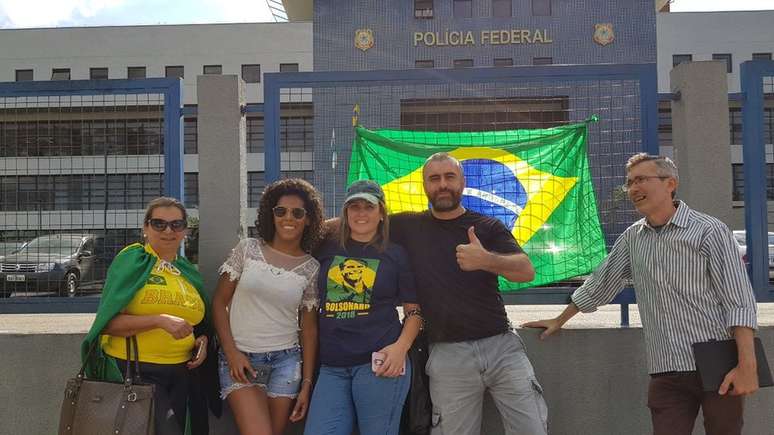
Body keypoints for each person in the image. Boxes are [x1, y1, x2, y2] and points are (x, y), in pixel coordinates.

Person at [523, 153, 759, 435]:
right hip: (666, 367)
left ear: (670, 183)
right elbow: (601, 282)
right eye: (630, 182)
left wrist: (747, 365)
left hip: (718, 363)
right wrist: (559, 319)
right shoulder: (633, 237)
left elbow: (739, 300)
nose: (633, 189)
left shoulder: (709, 231)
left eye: (642, 180)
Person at [388, 153, 547, 435]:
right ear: (424, 185)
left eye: (450, 177)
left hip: (501, 348)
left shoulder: (487, 226)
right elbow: (358, 221)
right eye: (434, 178)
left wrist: (487, 260)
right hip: (447, 354)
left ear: (462, 181)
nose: (442, 185)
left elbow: (526, 271)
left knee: (532, 429)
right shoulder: (407, 226)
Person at [81, 196, 218, 435]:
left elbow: (200, 324)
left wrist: (203, 341)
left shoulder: (187, 272)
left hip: (182, 374)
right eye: (159, 224)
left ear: (185, 231)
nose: (168, 230)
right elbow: (107, 323)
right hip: (136, 371)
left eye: (176, 225)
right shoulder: (132, 261)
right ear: (145, 228)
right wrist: (159, 320)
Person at [304, 179, 423, 435]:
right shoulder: (326, 247)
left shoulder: (396, 254)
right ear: (345, 212)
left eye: (368, 207)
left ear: (381, 213)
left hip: (380, 363)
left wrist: (400, 348)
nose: (361, 213)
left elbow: (414, 312)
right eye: (354, 206)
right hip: (332, 366)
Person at [212, 178, 323, 435]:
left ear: (308, 219)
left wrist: (306, 384)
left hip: (286, 363)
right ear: (270, 214)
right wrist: (231, 353)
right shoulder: (247, 250)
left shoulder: (311, 268)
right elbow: (219, 303)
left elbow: (308, 330)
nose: (288, 218)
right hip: (240, 360)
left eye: (298, 213)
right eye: (280, 211)